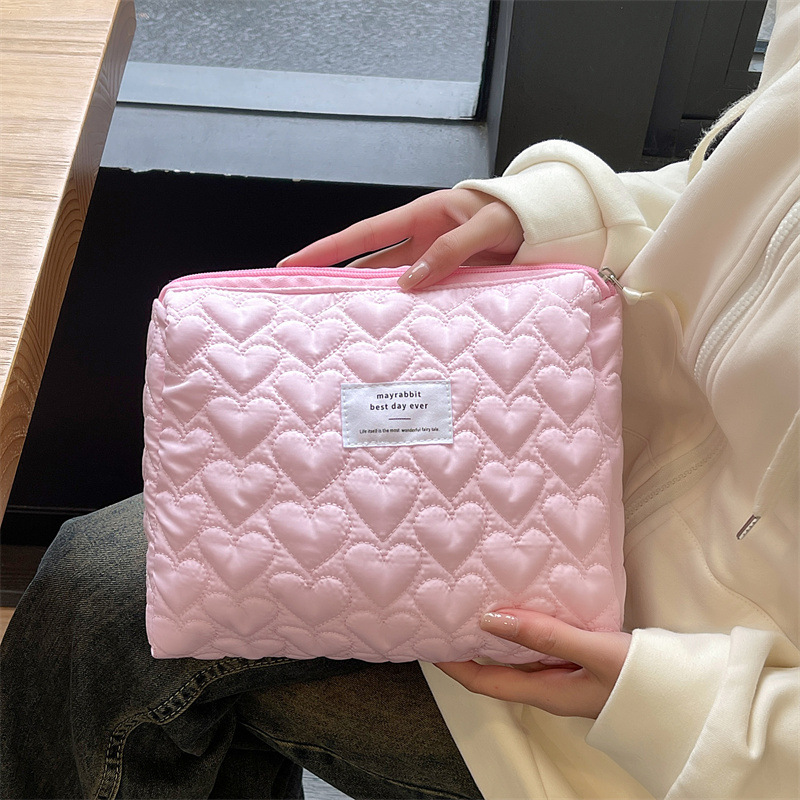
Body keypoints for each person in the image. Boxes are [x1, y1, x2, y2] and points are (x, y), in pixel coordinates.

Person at [2, 0, 798, 797]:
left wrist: (684, 708)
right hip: (576, 453)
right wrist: (557, 215)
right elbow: (739, 177)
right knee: (95, 589)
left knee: (106, 638)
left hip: (675, 720)